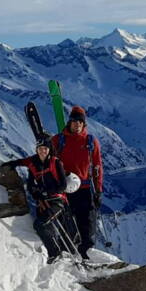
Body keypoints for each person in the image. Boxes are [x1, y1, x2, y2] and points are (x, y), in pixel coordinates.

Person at [0, 138, 81, 263]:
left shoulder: (55, 162)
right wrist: (37, 195)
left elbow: (62, 186)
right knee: (44, 227)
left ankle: (55, 254)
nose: (42, 151)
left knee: (41, 224)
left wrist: (45, 192)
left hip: (57, 202)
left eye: (45, 149)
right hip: (43, 202)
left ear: (49, 150)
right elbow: (30, 181)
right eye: (40, 149)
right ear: (36, 150)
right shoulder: (33, 163)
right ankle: (59, 253)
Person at [51, 106, 104, 256]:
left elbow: (97, 167)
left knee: (87, 225)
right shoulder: (59, 140)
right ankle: (66, 255)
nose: (77, 124)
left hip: (85, 189)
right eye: (74, 121)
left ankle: (87, 256)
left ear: (84, 123)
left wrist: (98, 190)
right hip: (64, 188)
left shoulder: (90, 141)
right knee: (66, 224)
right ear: (69, 122)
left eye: (80, 121)